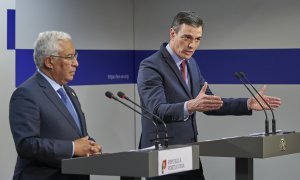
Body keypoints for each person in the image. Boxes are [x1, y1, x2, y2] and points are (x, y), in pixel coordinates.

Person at [137, 11, 282, 180]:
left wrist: (248, 103)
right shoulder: (151, 66)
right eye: (187, 37)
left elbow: (209, 103)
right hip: (161, 154)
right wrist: (190, 105)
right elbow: (157, 110)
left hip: (188, 153)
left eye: (197, 39)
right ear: (172, 33)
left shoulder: (191, 64)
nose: (192, 45)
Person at [9, 31, 102, 180]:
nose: (76, 63)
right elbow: (26, 145)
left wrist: (90, 145)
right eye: (69, 57)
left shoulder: (69, 92)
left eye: (75, 56)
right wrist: (73, 148)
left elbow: (74, 133)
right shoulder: (26, 94)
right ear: (49, 62)